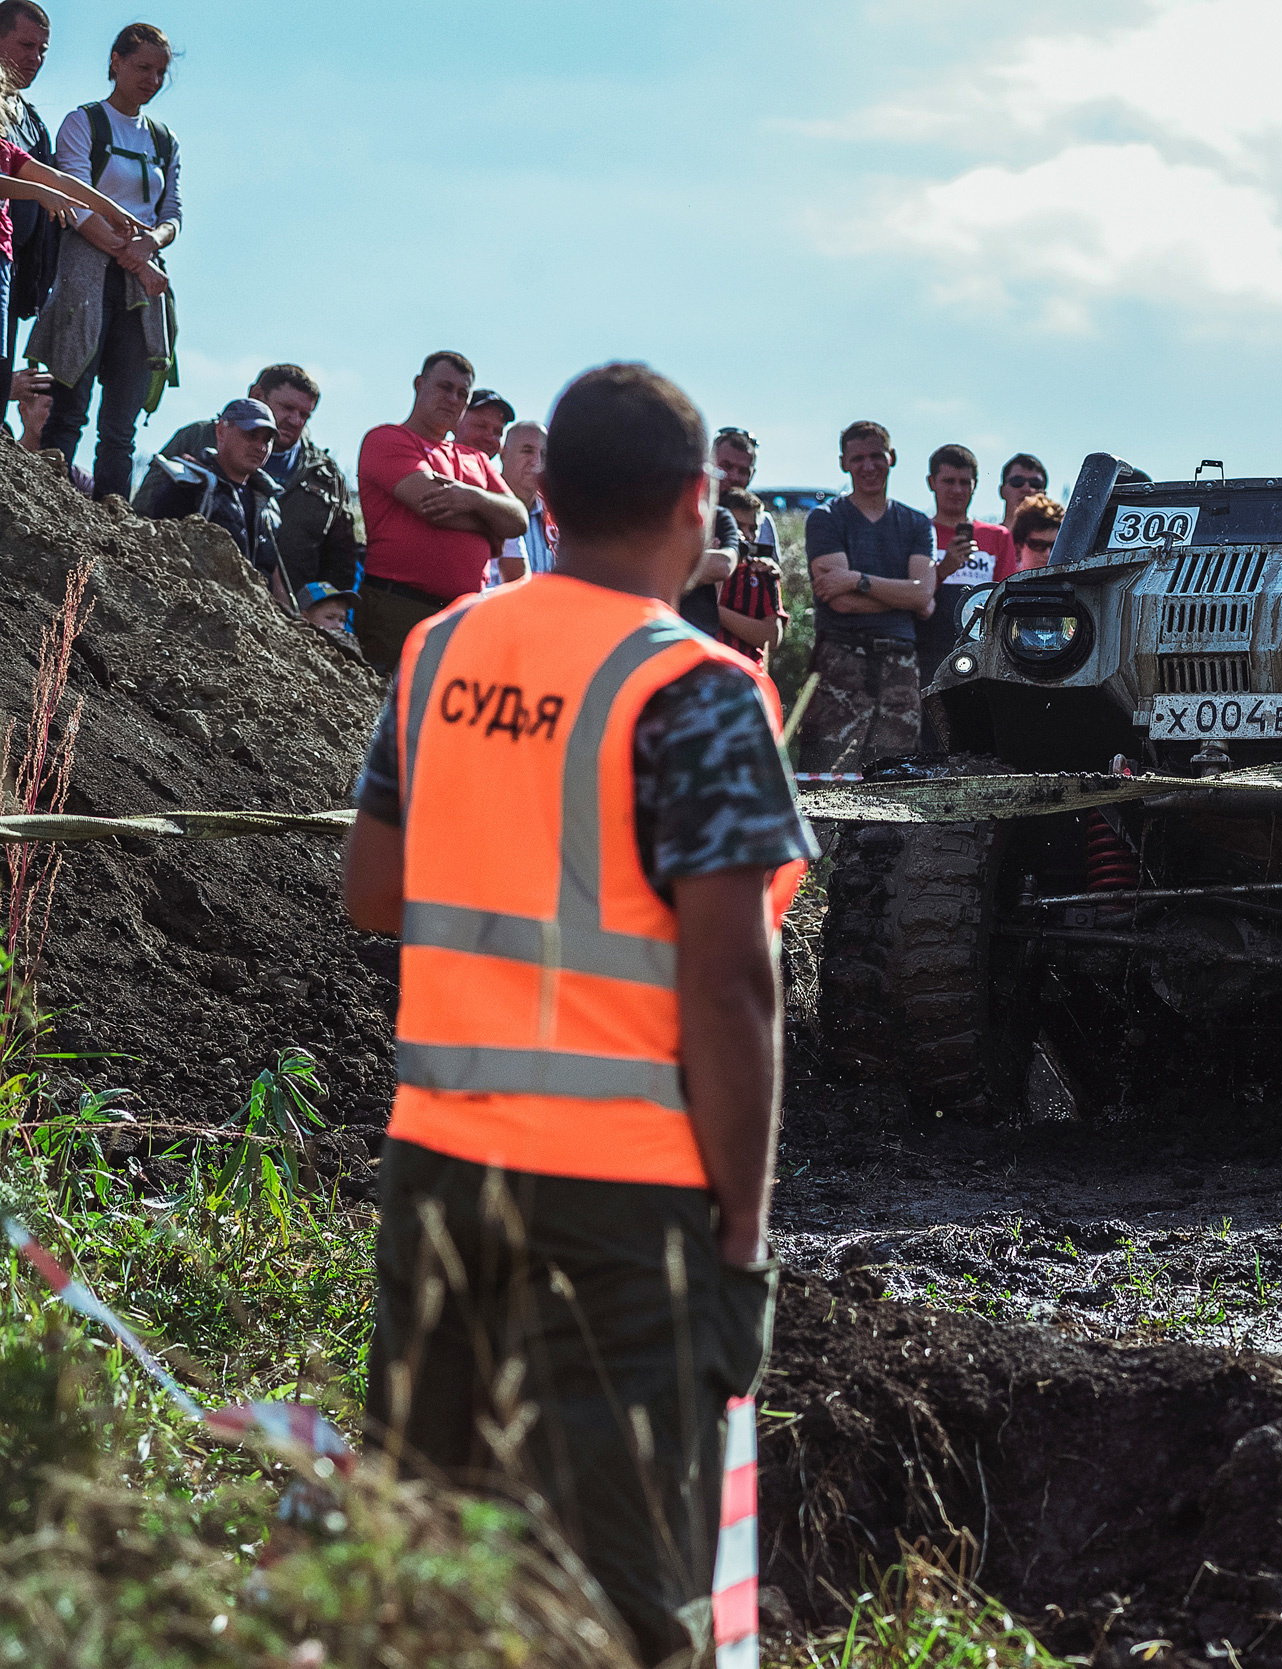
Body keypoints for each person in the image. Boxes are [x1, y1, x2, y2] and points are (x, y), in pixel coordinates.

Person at [344, 361, 814, 1669]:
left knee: (418, 1549)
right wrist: (743, 1234)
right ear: (693, 503)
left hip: (439, 1166)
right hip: (620, 1201)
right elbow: (733, 983)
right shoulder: (702, 690)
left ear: (542, 492)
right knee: (615, 1597)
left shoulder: (444, 647)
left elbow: (375, 891)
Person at [26, 24, 178, 502]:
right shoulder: (83, 122)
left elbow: (172, 213)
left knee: (121, 426)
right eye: (142, 68)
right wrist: (136, 257)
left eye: (160, 72)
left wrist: (150, 243)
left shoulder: (164, 139)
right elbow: (71, 202)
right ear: (115, 61)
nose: (152, 80)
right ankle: (53, 507)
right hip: (84, 280)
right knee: (70, 403)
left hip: (140, 290)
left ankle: (113, 520)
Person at [354, 351, 526, 675]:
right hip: (397, 608)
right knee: (384, 715)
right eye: (445, 387)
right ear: (420, 384)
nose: (453, 399)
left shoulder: (475, 459)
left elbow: (516, 518)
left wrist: (471, 497)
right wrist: (490, 527)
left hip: (461, 617)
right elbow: (431, 506)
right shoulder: (388, 439)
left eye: (462, 393)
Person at [150, 363, 362, 617]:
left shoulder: (325, 475)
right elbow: (146, 516)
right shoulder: (196, 441)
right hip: (191, 605)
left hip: (281, 621)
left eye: (305, 414)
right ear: (257, 395)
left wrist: (319, 614)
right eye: (287, 408)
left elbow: (341, 562)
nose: (295, 421)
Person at [796, 420, 934, 774]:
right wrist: (903, 596)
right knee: (823, 776)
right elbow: (838, 601)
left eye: (877, 456)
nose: (868, 466)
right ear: (844, 462)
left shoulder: (917, 523)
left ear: (893, 457)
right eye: (858, 458)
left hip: (901, 665)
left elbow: (923, 596)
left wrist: (856, 579)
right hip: (841, 660)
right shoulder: (826, 518)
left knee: (893, 779)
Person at [132, 397, 287, 602]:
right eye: (251, 435)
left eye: (266, 440)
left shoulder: (268, 504)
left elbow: (272, 573)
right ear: (221, 431)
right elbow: (159, 554)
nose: (260, 447)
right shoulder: (188, 486)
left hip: (253, 620)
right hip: (198, 610)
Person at [919, 443, 1013, 744]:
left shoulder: (997, 537)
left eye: (964, 482)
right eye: (949, 481)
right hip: (926, 649)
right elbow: (913, 597)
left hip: (979, 653)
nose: (957, 490)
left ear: (975, 485)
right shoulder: (918, 531)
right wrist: (944, 568)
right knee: (927, 734)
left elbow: (1006, 595)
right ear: (932, 482)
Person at [0, 0, 54, 374]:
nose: (35, 57)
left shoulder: (33, 125)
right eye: (25, 45)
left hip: (15, 270)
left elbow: (56, 196)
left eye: (42, 50)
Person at [714, 486, 783, 664]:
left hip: (746, 670)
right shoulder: (700, 566)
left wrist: (713, 610)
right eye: (736, 526)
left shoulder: (763, 572)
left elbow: (771, 637)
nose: (746, 535)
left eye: (752, 528)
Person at [486, 420, 554, 586]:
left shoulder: (556, 520)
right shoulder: (482, 508)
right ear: (504, 455)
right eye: (527, 451)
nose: (537, 462)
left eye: (544, 455)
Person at [712, 426, 778, 561]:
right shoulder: (689, 513)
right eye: (726, 466)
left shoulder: (762, 521)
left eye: (743, 471)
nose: (734, 477)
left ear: (752, 474)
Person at [12, 373, 80, 489]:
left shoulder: (77, 477)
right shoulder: (7, 455)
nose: (54, 415)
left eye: (59, 409)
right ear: (23, 409)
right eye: (49, 406)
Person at [454, 388, 513, 461]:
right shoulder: (436, 462)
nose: (489, 438)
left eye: (497, 432)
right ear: (456, 423)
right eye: (481, 426)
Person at [998, 451, 1046, 529]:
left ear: (1044, 494)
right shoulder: (984, 538)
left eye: (1035, 483)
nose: (1027, 489)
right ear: (1002, 491)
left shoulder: (1058, 540)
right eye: (1017, 481)